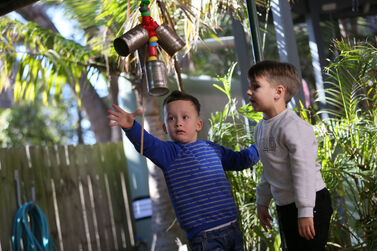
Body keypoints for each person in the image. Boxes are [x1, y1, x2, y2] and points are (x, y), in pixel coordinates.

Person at [107, 90, 259, 250]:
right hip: (204, 238)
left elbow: (241, 160)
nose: (178, 123)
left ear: (198, 124)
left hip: (233, 229)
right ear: (165, 127)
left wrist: (261, 145)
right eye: (171, 118)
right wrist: (131, 127)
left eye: (185, 117)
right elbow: (148, 145)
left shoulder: (212, 149)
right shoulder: (169, 153)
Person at [246, 60, 332, 251]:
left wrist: (305, 211)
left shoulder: (292, 127)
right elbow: (268, 168)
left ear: (278, 92)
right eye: (249, 87)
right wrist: (262, 200)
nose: (249, 92)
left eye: (256, 86)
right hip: (286, 205)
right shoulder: (261, 128)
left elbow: (304, 172)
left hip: (311, 202)